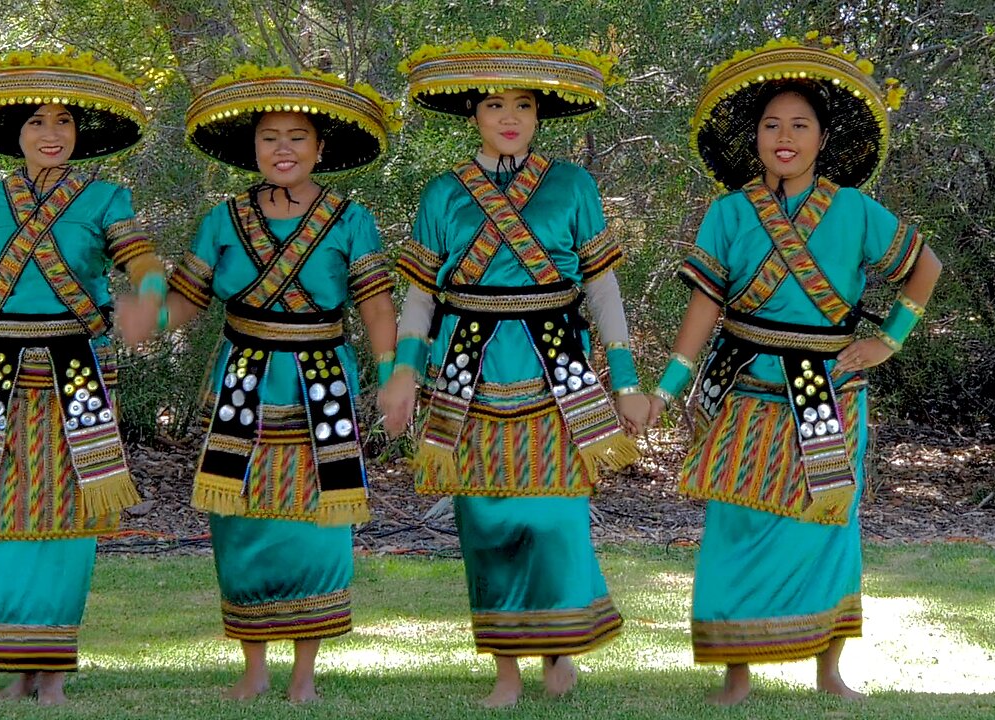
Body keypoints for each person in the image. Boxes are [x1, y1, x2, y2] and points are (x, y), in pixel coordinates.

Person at [646, 34, 943, 705]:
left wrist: (888, 342)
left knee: (827, 523)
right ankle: (736, 674)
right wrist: (667, 386)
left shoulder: (856, 211)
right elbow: (703, 307)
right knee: (735, 523)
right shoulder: (727, 213)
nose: (785, 138)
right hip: (743, 384)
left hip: (830, 389)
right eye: (772, 125)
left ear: (822, 137)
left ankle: (830, 671)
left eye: (800, 126)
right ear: (754, 137)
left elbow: (926, 269)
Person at [118, 65, 399, 703]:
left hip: (320, 383)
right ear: (253, 149)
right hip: (241, 383)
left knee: (316, 523)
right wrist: (148, 316)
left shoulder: (351, 220)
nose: (283, 149)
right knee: (238, 521)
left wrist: (393, 375)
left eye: (297, 138)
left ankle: (305, 676)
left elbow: (377, 307)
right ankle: (253, 670)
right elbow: (187, 300)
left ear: (321, 149)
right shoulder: (223, 219)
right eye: (270, 137)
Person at [383, 38, 650, 708]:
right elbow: (419, 297)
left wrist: (625, 381)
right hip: (467, 372)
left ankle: (560, 652)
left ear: (540, 116)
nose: (509, 117)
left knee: (556, 517)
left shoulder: (573, 185)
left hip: (555, 369)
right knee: (487, 522)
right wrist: (403, 374)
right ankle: (505, 670)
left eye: (524, 106)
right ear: (473, 113)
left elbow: (604, 290)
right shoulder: (442, 194)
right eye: (495, 104)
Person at [0, 49, 162, 706]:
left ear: (80, 130)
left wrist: (151, 291)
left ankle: (53, 672)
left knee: (66, 518)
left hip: (78, 376)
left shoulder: (108, 198)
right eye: (36, 120)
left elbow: (140, 260)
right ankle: (14, 665)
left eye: (64, 119)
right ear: (15, 132)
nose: (52, 133)